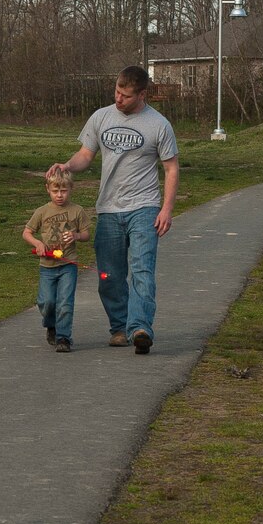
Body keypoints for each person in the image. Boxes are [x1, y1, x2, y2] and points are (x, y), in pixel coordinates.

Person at [58, 65, 179, 356]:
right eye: (116, 92)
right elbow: (86, 155)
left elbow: (171, 168)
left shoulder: (158, 124)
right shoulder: (101, 117)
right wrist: (67, 166)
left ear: (142, 94)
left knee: (141, 271)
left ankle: (140, 329)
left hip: (145, 208)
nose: (119, 99)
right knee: (109, 276)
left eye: (125, 95)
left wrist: (166, 209)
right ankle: (119, 328)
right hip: (109, 209)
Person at [23, 164, 89, 353]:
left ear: (71, 189)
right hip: (47, 266)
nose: (60, 195)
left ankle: (63, 338)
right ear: (48, 190)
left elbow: (86, 235)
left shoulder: (77, 211)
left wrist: (76, 236)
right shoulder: (42, 211)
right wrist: (38, 244)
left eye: (64, 191)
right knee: (47, 302)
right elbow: (26, 233)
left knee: (65, 303)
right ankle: (51, 325)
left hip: (68, 264)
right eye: (55, 191)